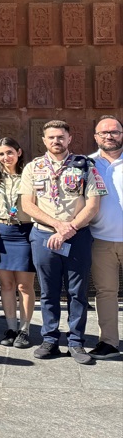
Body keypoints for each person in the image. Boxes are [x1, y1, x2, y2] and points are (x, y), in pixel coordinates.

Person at [20, 120, 106, 364]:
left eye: (61, 137)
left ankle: (76, 342)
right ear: (44, 141)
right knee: (48, 291)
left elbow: (93, 204)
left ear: (69, 139)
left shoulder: (86, 166)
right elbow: (27, 205)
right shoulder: (33, 167)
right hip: (44, 236)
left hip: (77, 236)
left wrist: (68, 229)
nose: (56, 141)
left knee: (77, 292)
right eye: (51, 138)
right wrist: (57, 226)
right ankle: (49, 339)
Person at [0, 137, 35, 348]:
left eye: (10, 152)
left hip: (23, 231)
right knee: (6, 284)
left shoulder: (29, 176)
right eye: (2, 154)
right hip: (0, 231)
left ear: (19, 152)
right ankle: (11, 328)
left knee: (24, 285)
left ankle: (25, 329)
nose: (6, 157)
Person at [89, 115, 122, 360]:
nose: (109, 136)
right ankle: (109, 342)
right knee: (106, 292)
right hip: (100, 240)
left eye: (114, 132)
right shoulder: (86, 164)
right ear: (96, 137)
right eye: (104, 133)